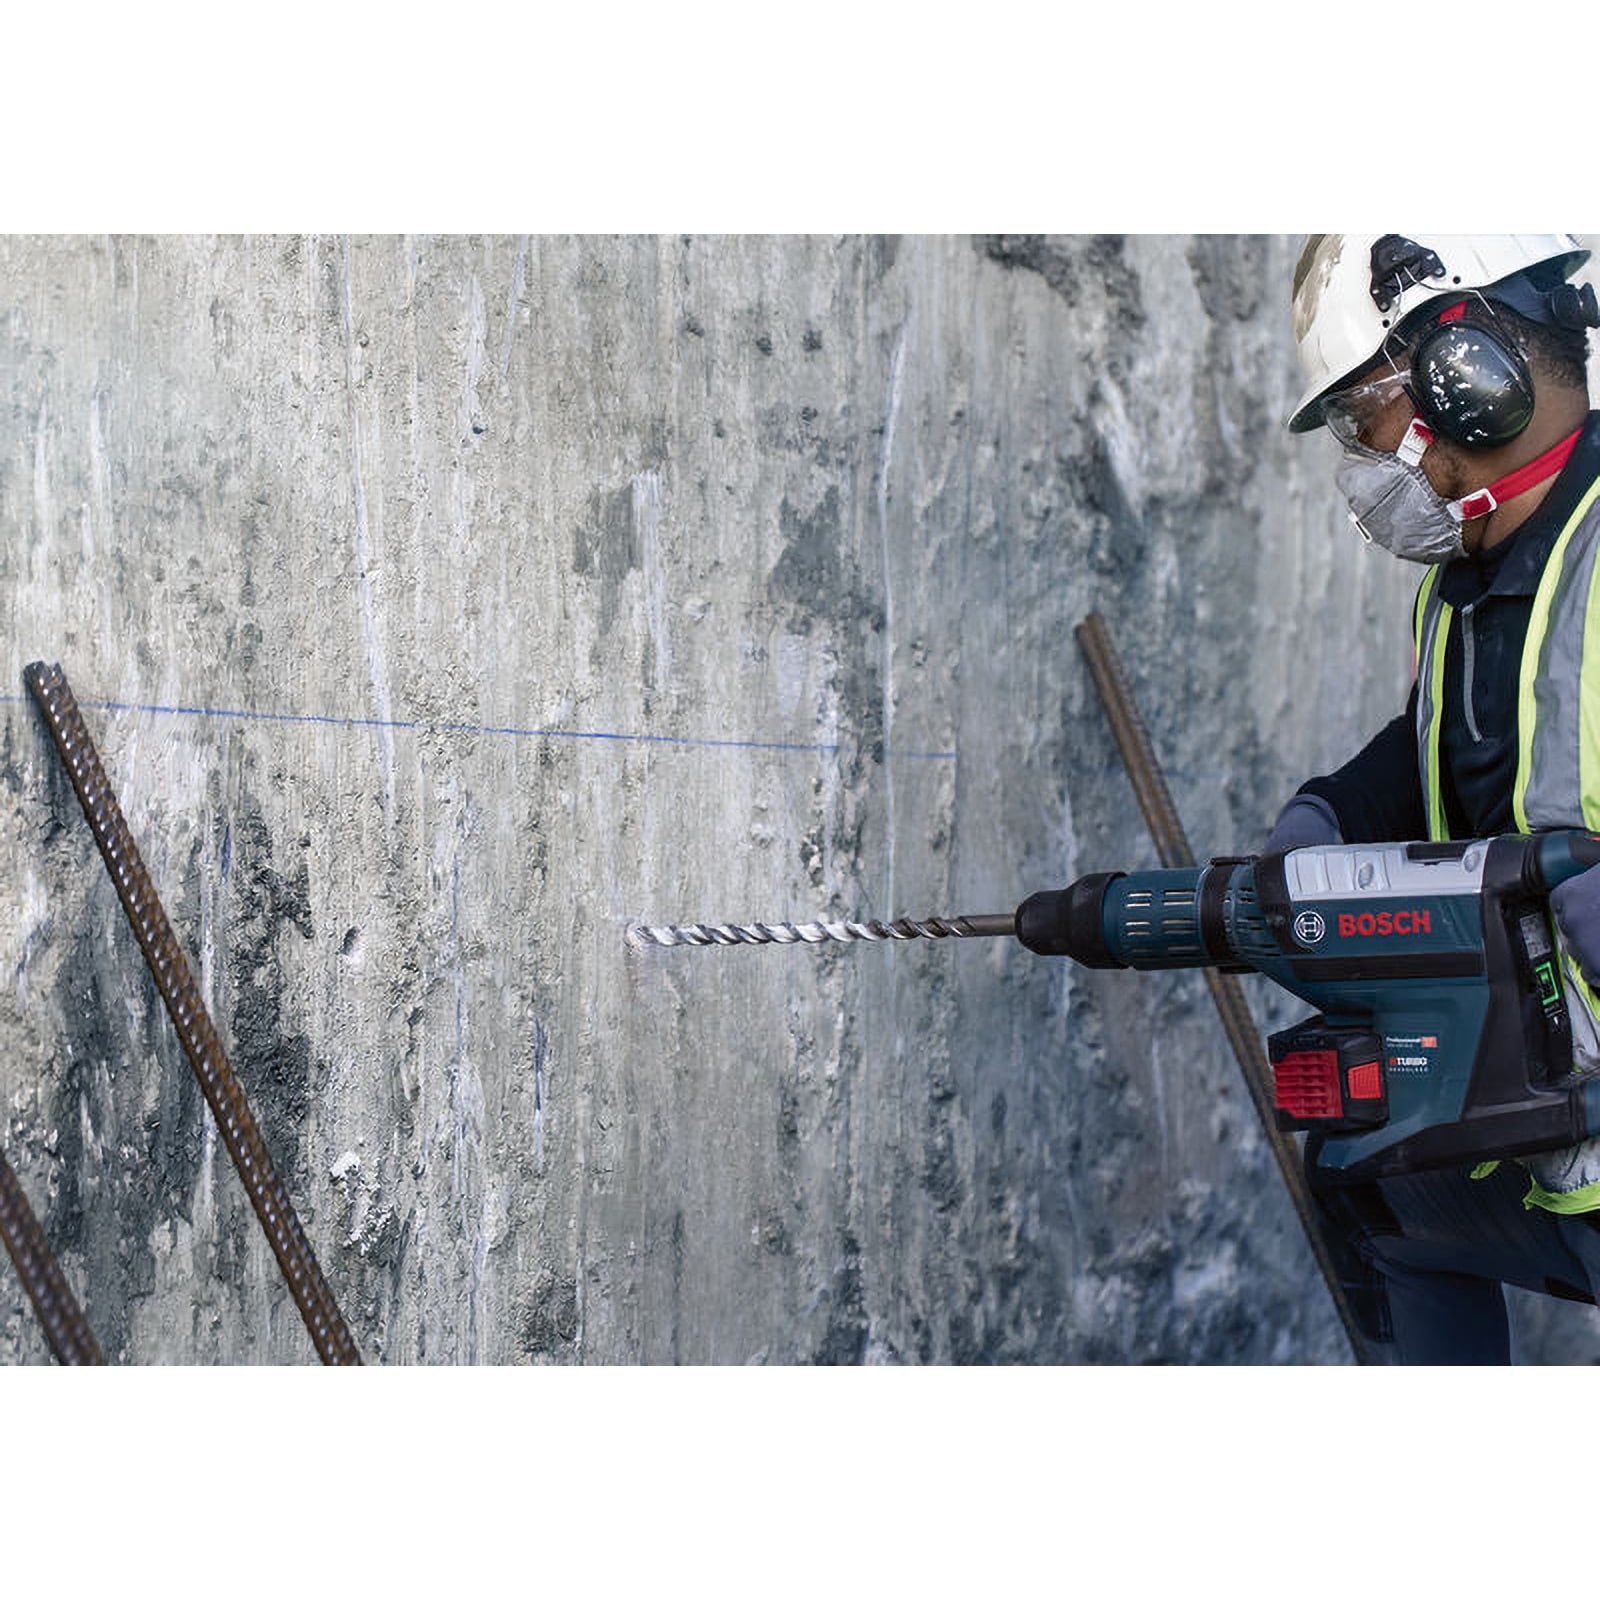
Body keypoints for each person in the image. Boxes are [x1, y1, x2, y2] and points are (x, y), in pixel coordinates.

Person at [1272, 233, 1600, 1363]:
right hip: (1570, 1115)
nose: (1364, 460)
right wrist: (1329, 818)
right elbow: (1448, 741)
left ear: (1469, 375)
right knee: (1371, 1182)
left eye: (1363, 415)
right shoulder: (1468, 587)